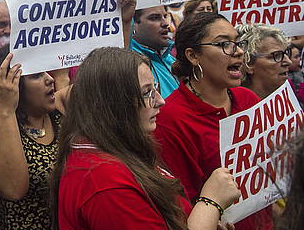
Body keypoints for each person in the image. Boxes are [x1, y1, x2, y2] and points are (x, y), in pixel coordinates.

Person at [50, 47, 239, 229]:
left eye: (155, 88)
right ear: (114, 104)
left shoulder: (113, 150)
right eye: (147, 92)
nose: (160, 100)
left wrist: (205, 219)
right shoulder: (107, 185)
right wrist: (210, 202)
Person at [154, 12, 273, 230]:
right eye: (224, 44)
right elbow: (178, 201)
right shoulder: (170, 119)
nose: (237, 51)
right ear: (193, 55)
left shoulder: (249, 100)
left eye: (237, 43)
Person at [0, 47, 60, 229]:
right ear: (13, 87)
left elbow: (113, 85)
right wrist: (6, 109)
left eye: (47, 71)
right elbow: (13, 190)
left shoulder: (59, 112)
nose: (50, 79)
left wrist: (125, 24)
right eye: (36, 75)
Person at [131, 5, 178, 98]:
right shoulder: (131, 63)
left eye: (165, 16)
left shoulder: (169, 58)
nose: (165, 23)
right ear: (133, 24)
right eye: (155, 18)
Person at [238, 24, 292, 100]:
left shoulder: (290, 100)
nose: (289, 62)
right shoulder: (234, 109)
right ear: (248, 64)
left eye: (286, 53)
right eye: (276, 55)